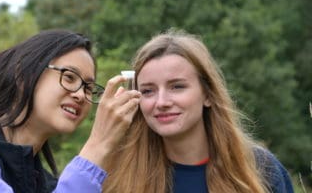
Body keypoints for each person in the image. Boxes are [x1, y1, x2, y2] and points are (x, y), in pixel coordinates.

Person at [0, 29, 141, 193]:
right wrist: (99, 144)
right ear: (23, 75)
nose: (81, 95)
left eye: (89, 88)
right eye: (69, 77)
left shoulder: (48, 185)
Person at [102, 30, 294, 193]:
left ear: (208, 95)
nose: (161, 102)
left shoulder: (259, 168)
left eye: (177, 86)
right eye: (148, 91)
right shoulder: (118, 176)